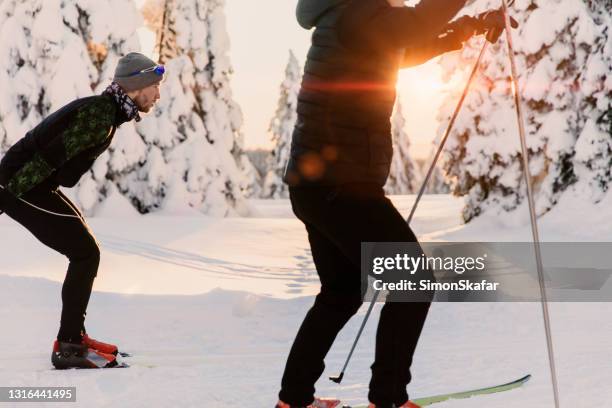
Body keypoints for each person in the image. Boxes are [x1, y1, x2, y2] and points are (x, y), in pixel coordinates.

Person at [277, 1, 518, 407]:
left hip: (318, 186)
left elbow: (408, 46)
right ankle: (387, 399)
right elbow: (411, 28)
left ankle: (294, 399)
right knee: (414, 281)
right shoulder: (356, 12)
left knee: (341, 292)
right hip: (342, 186)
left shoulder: (350, 16)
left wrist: (471, 27)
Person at [0, 52, 164, 369]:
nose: (158, 94)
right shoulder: (100, 116)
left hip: (29, 185)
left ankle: (74, 337)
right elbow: (48, 158)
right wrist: (7, 194)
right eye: (155, 85)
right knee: (85, 253)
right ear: (138, 84)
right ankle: (68, 346)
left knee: (86, 248)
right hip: (20, 185)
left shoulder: (106, 112)